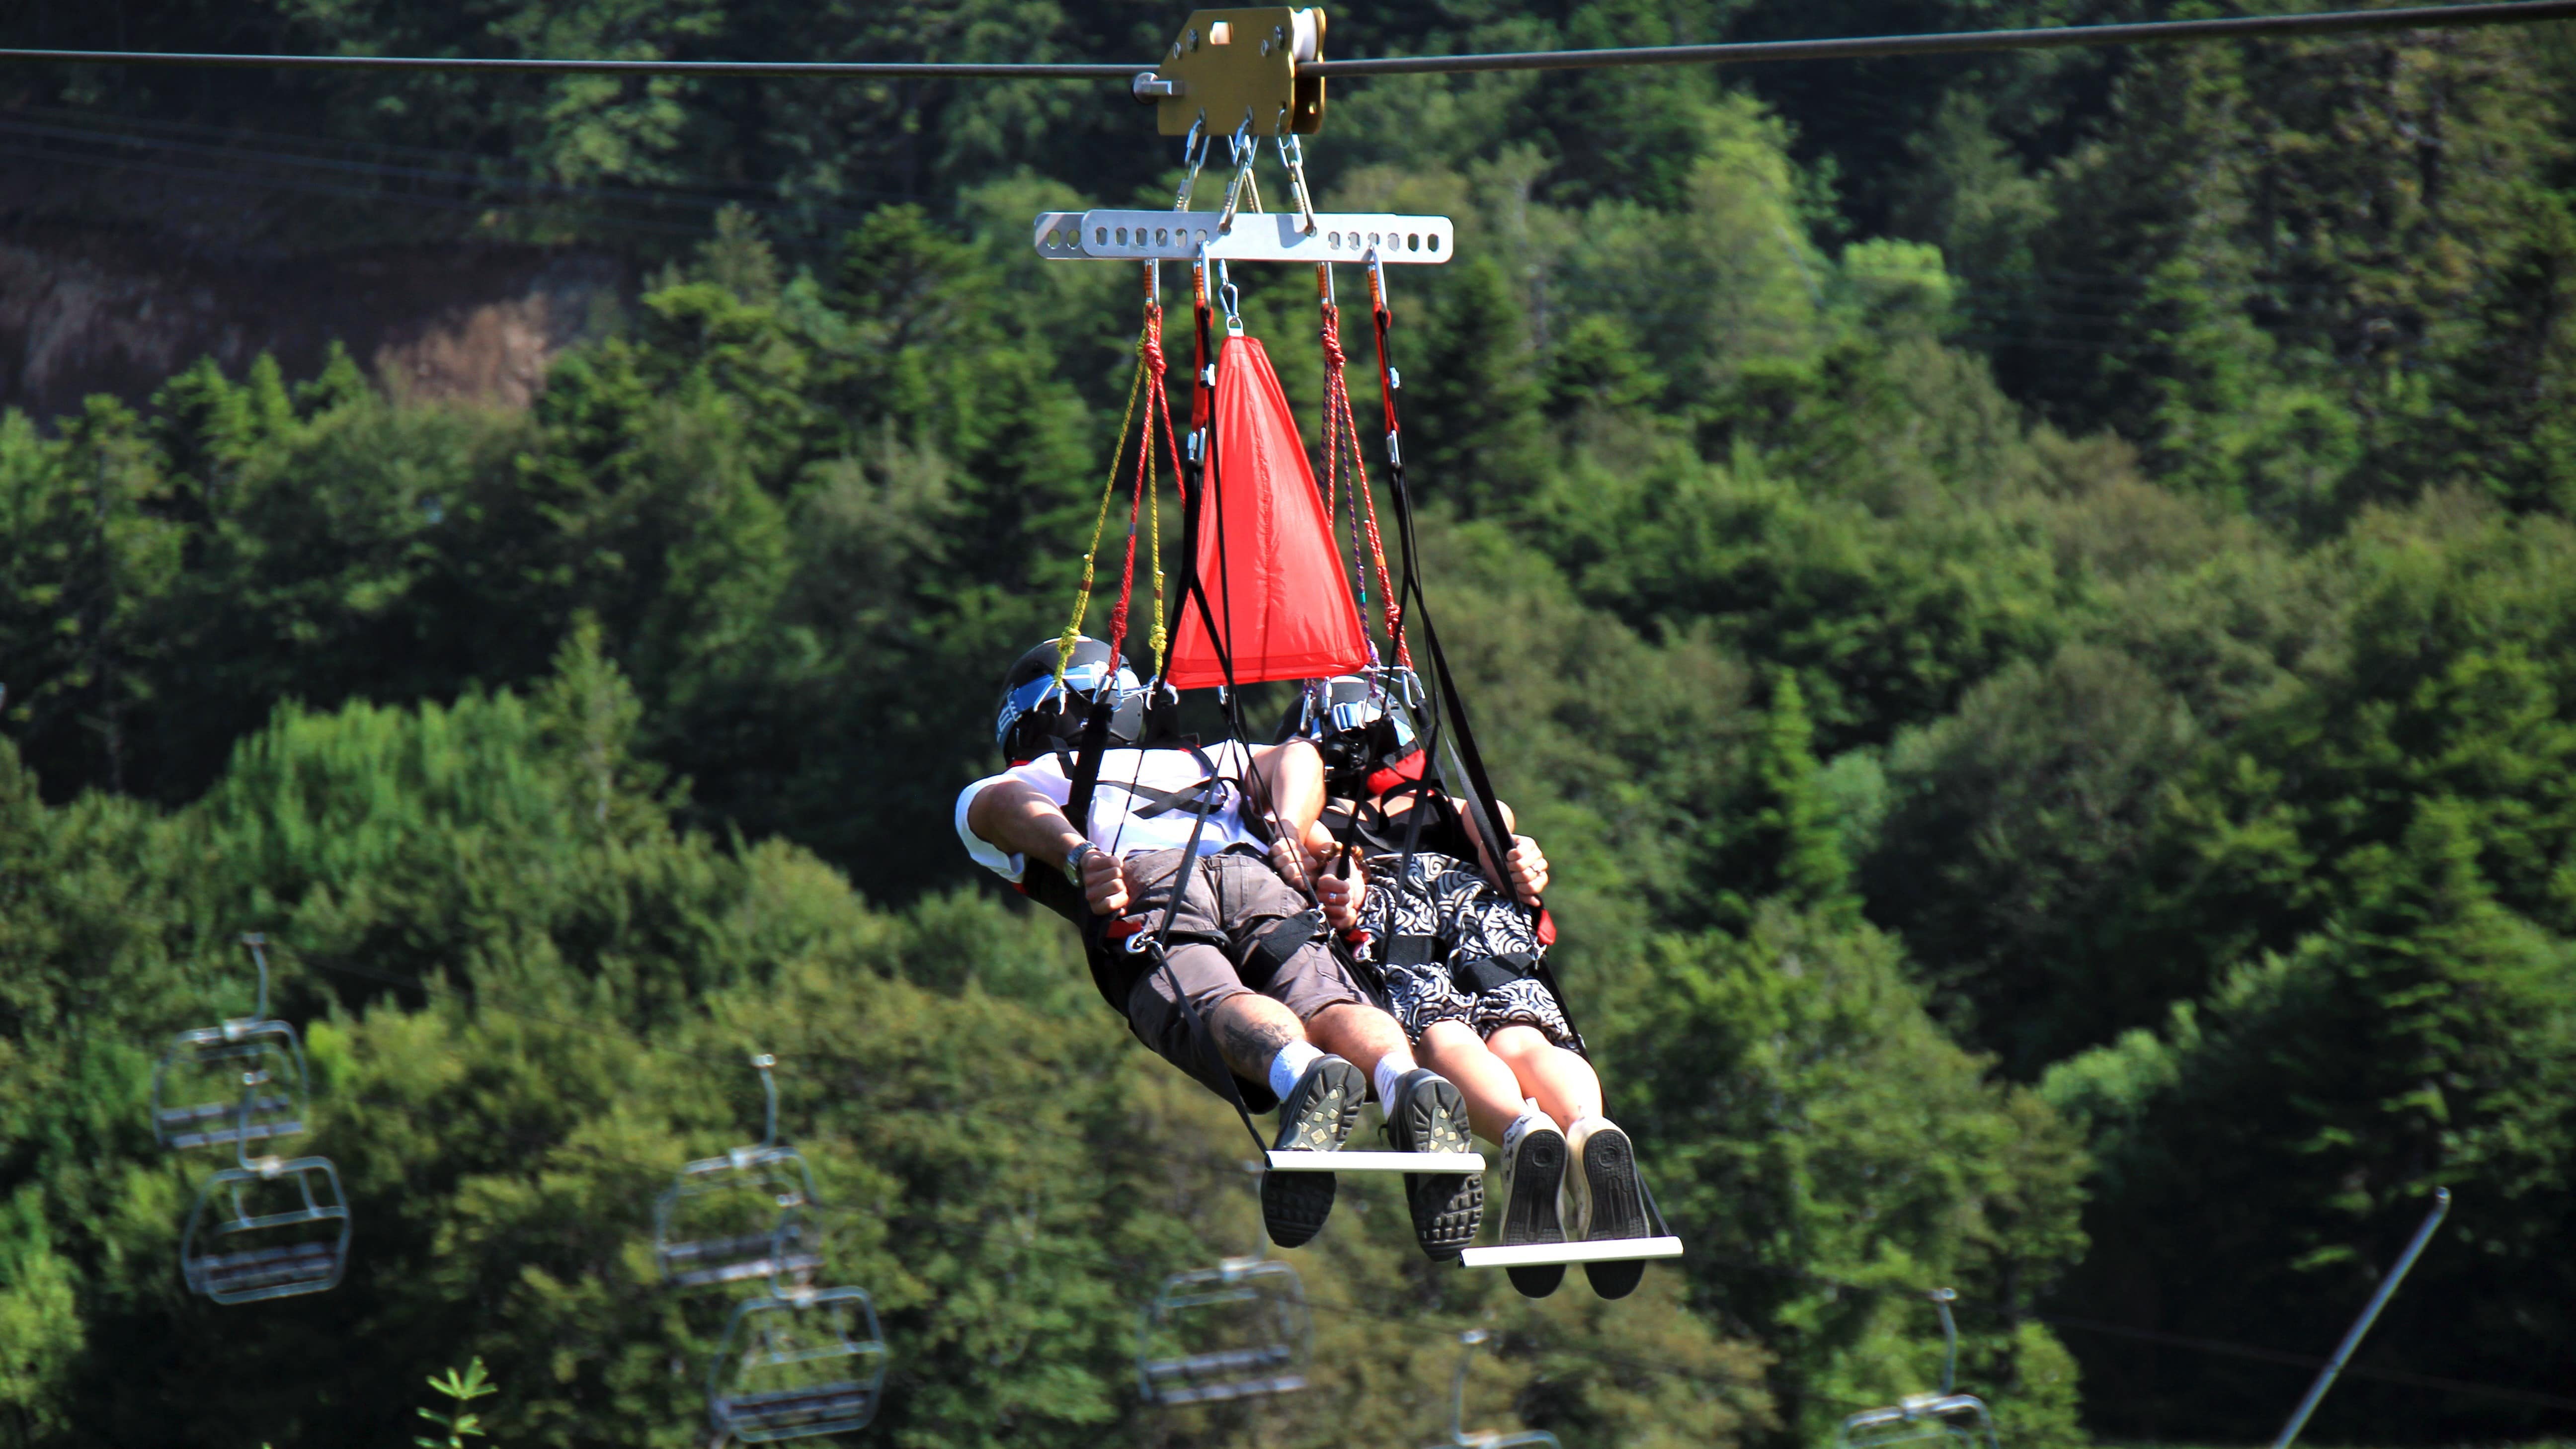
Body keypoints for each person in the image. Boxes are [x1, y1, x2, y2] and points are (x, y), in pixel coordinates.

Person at [956, 639, 1483, 1258]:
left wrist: (1077, 854)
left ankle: (1304, 1073)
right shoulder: (1210, 755)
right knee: (1321, 995)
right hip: (1254, 875)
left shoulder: (1041, 776)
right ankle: (1402, 1079)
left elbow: (999, 805)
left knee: (1204, 999)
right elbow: (1299, 758)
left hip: (1147, 881)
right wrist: (1289, 830)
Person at [1285, 675, 1652, 1298]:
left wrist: (1336, 886)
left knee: (1442, 1036)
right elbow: (1501, 837)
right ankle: (1587, 1126)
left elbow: (1323, 863)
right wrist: (1519, 861)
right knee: (1525, 1037)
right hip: (1477, 908)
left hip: (1395, 914)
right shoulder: (1454, 808)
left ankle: (1519, 1130)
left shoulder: (1329, 820)